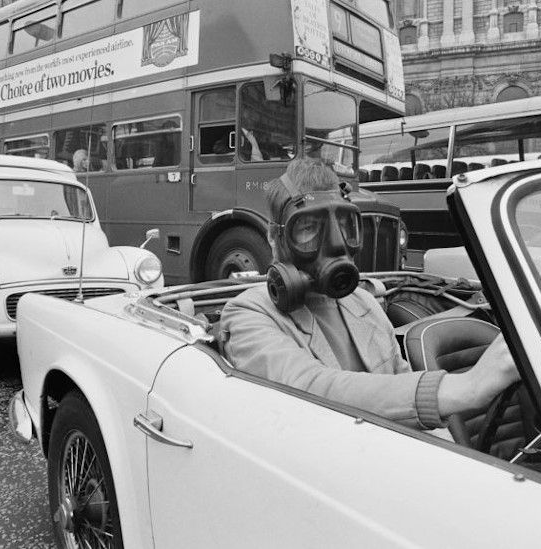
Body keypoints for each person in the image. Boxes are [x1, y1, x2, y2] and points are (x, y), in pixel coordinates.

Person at [220, 159, 520, 431]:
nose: (334, 243)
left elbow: (403, 391)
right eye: (309, 228)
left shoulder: (363, 302)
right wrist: (469, 386)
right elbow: (311, 391)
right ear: (275, 237)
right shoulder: (247, 314)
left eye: (343, 225)